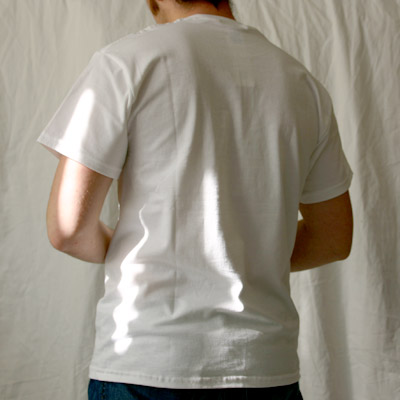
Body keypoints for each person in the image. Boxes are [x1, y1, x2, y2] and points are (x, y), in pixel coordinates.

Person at [38, 0, 353, 399]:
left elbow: (68, 230)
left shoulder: (126, 63)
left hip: (148, 361)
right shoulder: (301, 83)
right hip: (263, 366)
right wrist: (244, 254)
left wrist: (154, 254)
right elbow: (332, 239)